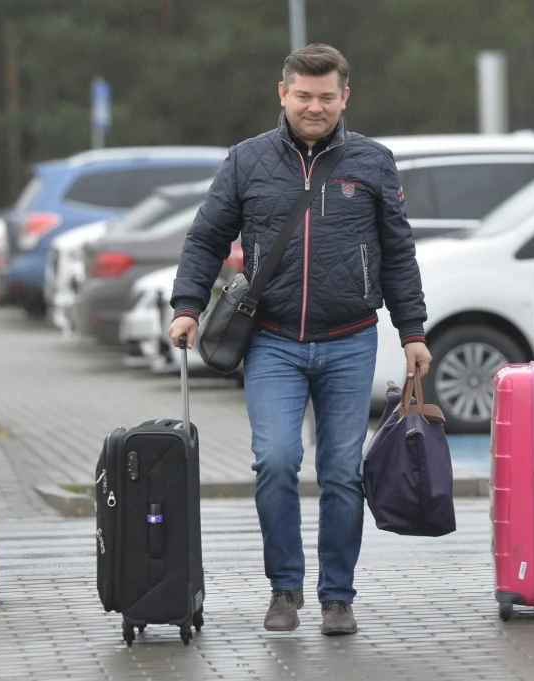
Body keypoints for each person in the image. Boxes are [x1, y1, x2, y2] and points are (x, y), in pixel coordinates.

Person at [168, 44, 432, 636]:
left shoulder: (372, 162)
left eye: (327, 97)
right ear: (283, 93)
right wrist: (187, 306)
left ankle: (337, 597)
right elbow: (205, 238)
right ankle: (284, 590)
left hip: (349, 340)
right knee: (276, 461)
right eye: (304, 96)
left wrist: (412, 330)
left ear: (345, 97)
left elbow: (398, 253)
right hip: (273, 342)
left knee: (342, 470)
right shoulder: (246, 161)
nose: (315, 107)